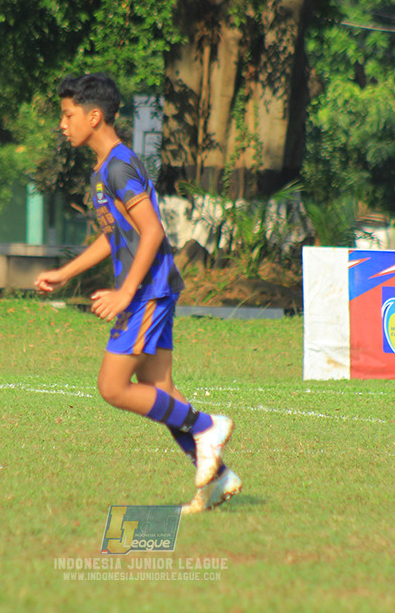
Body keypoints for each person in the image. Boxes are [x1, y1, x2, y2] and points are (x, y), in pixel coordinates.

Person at [35, 73, 240, 514]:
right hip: (151, 290)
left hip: (147, 292)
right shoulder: (103, 168)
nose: (62, 124)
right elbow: (115, 236)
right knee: (159, 389)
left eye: (68, 115)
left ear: (94, 116)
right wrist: (65, 273)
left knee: (112, 387)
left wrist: (126, 292)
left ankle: (209, 426)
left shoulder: (119, 165)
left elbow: (151, 231)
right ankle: (218, 476)